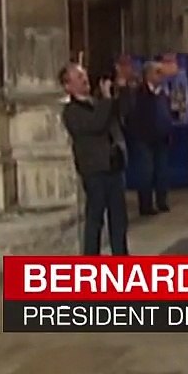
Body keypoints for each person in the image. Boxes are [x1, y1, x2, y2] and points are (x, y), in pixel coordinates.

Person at [59, 62, 129, 256]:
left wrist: (121, 89)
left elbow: (122, 113)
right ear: (68, 86)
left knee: (119, 220)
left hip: (113, 166)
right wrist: (107, 98)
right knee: (95, 219)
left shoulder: (97, 103)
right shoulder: (72, 112)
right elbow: (96, 124)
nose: (85, 79)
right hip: (95, 171)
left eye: (84, 75)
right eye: (79, 77)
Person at [128, 61, 173, 214]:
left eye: (161, 72)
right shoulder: (138, 93)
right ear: (148, 75)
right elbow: (133, 115)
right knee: (146, 172)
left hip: (162, 138)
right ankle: (146, 205)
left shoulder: (163, 93)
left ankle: (162, 201)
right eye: (157, 72)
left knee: (162, 171)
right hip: (144, 139)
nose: (161, 75)